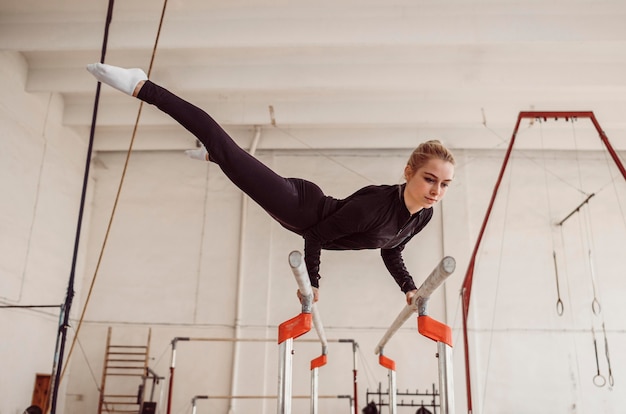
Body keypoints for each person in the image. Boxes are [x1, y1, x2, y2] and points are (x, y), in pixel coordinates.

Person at [86, 63, 455, 305]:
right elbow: (316, 236)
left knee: (230, 159)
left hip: (302, 211)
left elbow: (390, 251)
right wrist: (313, 282)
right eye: (430, 179)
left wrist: (409, 288)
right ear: (409, 172)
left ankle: (219, 159)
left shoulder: (421, 217)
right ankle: (142, 85)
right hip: (299, 207)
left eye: (444, 185)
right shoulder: (377, 206)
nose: (436, 190)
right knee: (223, 144)